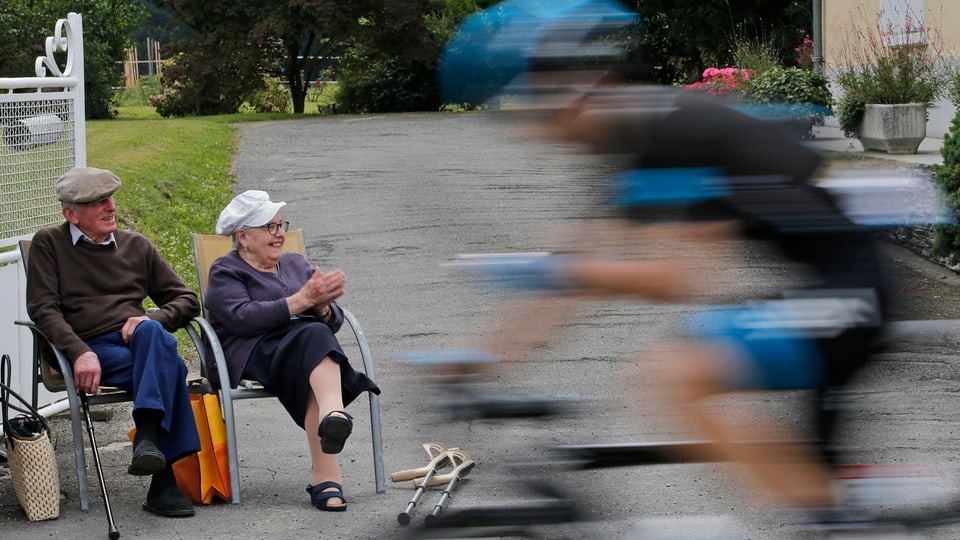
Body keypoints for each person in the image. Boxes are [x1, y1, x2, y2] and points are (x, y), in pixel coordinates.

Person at [26, 166, 202, 517]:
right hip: (90, 347)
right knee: (172, 362)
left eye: (111, 198)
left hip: (137, 344)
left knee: (154, 334)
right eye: (98, 202)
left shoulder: (137, 246)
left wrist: (153, 317)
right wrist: (79, 351)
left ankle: (149, 442)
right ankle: (163, 481)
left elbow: (186, 300)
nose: (111, 207)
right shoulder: (49, 244)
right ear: (70, 214)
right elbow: (43, 309)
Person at [203, 190, 380, 512]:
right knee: (313, 337)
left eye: (280, 224)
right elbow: (242, 320)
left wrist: (324, 305)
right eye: (269, 227)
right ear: (243, 236)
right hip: (253, 351)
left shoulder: (296, 263)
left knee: (314, 336)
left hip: (302, 348)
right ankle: (332, 427)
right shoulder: (225, 271)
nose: (280, 233)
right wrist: (302, 302)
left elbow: (334, 321)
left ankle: (329, 461)